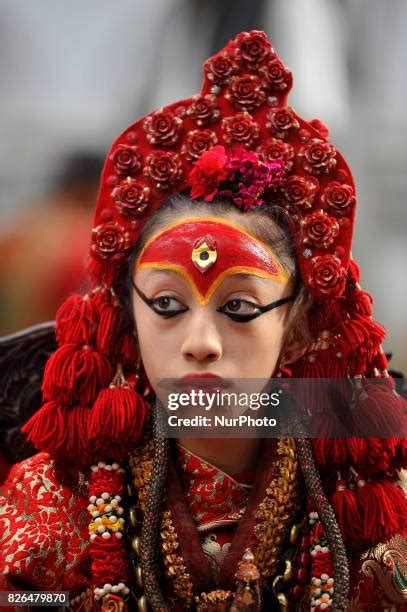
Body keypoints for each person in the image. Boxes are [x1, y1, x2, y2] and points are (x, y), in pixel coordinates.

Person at [0, 30, 406, 612]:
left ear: (297, 328)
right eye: (166, 305)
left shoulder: (374, 506)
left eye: (239, 309)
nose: (200, 344)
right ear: (125, 314)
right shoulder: (55, 493)